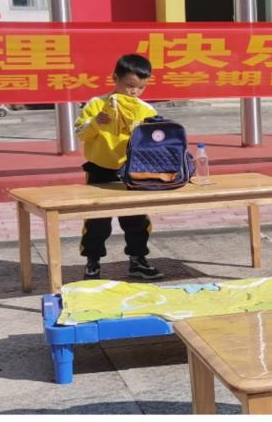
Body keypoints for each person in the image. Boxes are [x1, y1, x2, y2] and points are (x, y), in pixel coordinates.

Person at [74, 54, 162, 280]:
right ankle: (92, 262)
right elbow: (80, 133)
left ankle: (137, 260)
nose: (134, 92)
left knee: (136, 218)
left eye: (141, 87)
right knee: (97, 221)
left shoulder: (146, 109)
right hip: (100, 169)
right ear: (115, 78)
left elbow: (154, 141)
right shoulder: (96, 104)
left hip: (132, 170)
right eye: (129, 86)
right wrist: (96, 122)